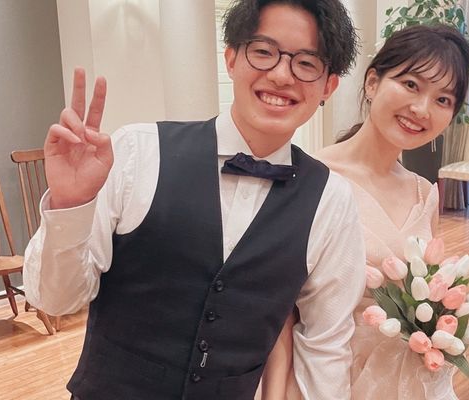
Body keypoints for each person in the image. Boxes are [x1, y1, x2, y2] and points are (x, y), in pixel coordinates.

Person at [22, 1, 366, 399]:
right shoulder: (137, 152)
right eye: (263, 52)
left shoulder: (331, 200)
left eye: (306, 63)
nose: (280, 74)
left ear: (328, 86)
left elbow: (326, 346)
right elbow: (56, 300)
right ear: (231, 58)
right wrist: (70, 207)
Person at [261, 24, 469, 399]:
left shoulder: (424, 193)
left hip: (408, 382)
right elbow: (277, 314)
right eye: (411, 84)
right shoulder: (309, 178)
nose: (421, 109)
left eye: (443, 100)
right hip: (328, 378)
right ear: (373, 82)